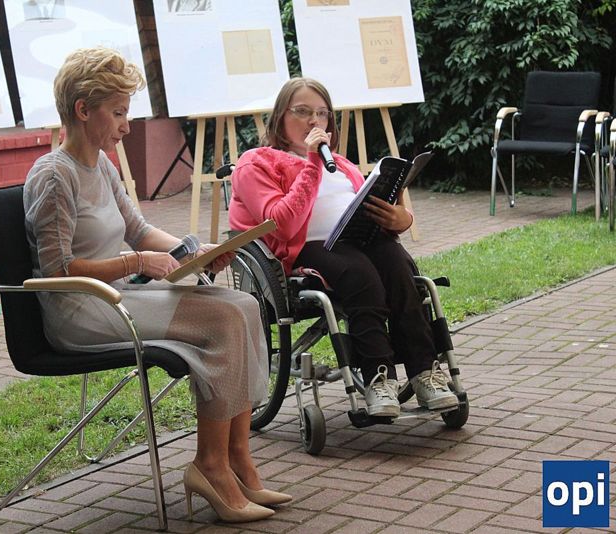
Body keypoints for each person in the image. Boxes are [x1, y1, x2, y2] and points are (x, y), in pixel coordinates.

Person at [23, 48, 290, 523]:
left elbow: (140, 230)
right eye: (118, 113)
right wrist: (136, 262)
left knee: (245, 305)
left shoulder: (101, 166)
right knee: (223, 319)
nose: (126, 126)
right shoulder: (54, 175)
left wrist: (195, 249)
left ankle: (238, 459)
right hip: (80, 310)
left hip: (119, 297)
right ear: (83, 110)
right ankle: (211, 466)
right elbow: (56, 270)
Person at [229, 77, 458, 419]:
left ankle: (425, 371)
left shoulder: (341, 164)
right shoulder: (257, 162)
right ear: (280, 117)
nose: (314, 121)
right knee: (359, 275)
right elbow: (282, 223)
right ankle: (379, 377)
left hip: (358, 240)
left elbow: (368, 209)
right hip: (305, 248)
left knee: (400, 269)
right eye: (302, 111)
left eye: (322, 113)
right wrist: (312, 162)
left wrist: (401, 218)